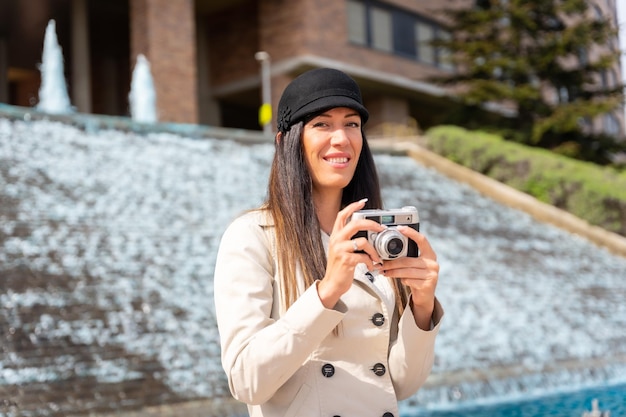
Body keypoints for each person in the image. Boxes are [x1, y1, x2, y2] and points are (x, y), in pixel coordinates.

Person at [213, 67, 443, 417]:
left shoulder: (378, 236)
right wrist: (327, 292)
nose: (341, 138)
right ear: (285, 141)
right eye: (322, 124)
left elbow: (400, 385)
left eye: (352, 123)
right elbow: (247, 381)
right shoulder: (252, 237)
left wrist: (422, 308)